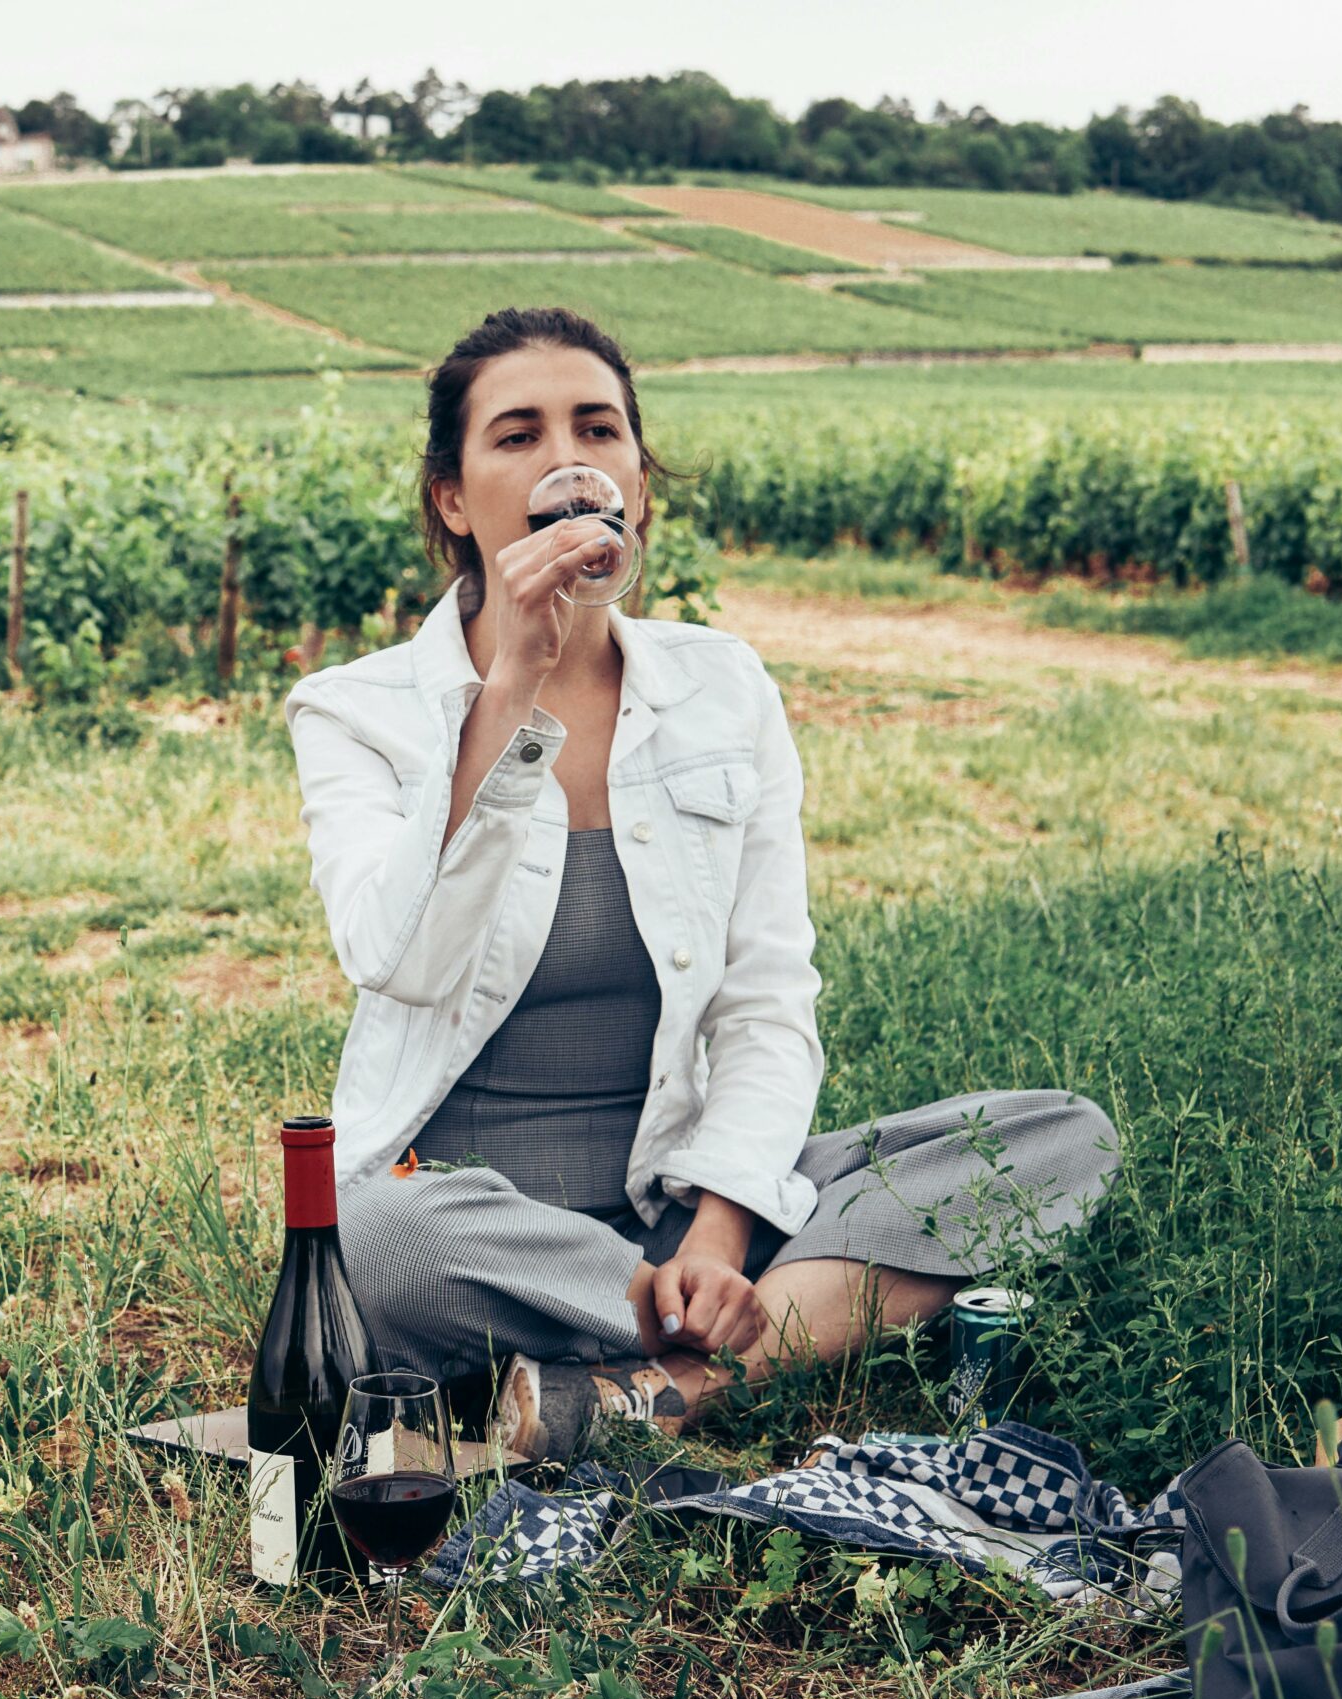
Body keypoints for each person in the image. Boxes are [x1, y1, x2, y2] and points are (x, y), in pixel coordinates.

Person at [282, 307, 1120, 1462]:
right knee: (364, 1238)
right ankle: (713, 1333)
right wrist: (513, 684)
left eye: (598, 428)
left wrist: (720, 1230)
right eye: (516, 436)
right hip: (469, 1214)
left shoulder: (722, 685)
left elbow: (767, 996)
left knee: (1053, 1139)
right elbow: (399, 956)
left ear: (636, 478)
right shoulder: (352, 711)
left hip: (679, 1196)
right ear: (453, 498)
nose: (567, 459)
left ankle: (657, 1388)